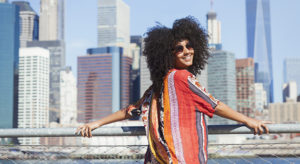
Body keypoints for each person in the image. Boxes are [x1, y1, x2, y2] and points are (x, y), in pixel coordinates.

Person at [76, 16, 270, 164]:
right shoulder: (181, 77)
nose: (187, 51)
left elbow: (131, 110)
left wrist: (96, 123)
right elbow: (214, 105)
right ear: (169, 54)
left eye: (189, 45)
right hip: (181, 158)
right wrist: (248, 120)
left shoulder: (158, 86)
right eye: (179, 48)